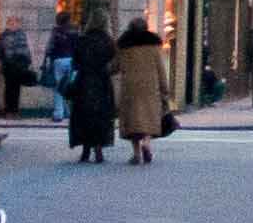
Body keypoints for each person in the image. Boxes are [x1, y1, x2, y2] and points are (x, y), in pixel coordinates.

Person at [113, 21, 168, 165]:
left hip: (130, 87)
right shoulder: (154, 47)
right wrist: (165, 90)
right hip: (150, 87)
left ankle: (136, 154)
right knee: (149, 118)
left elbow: (114, 67)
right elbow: (161, 70)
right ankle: (147, 143)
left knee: (133, 120)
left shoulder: (124, 48)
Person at [65, 21, 117, 163]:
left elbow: (75, 61)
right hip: (101, 81)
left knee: (83, 114)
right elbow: (113, 59)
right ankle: (99, 146)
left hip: (84, 80)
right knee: (100, 114)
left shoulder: (82, 40)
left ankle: (85, 150)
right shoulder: (107, 41)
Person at [44, 13, 80, 125]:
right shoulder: (75, 31)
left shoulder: (56, 32)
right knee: (71, 87)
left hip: (58, 60)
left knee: (58, 88)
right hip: (72, 60)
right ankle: (71, 113)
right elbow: (79, 46)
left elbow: (49, 48)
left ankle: (58, 113)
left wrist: (48, 58)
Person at [0, 23, 32, 118]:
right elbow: (26, 51)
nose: (14, 25)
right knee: (13, 89)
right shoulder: (20, 36)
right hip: (14, 66)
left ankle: (11, 111)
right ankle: (12, 111)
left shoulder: (4, 36)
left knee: (11, 89)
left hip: (12, 66)